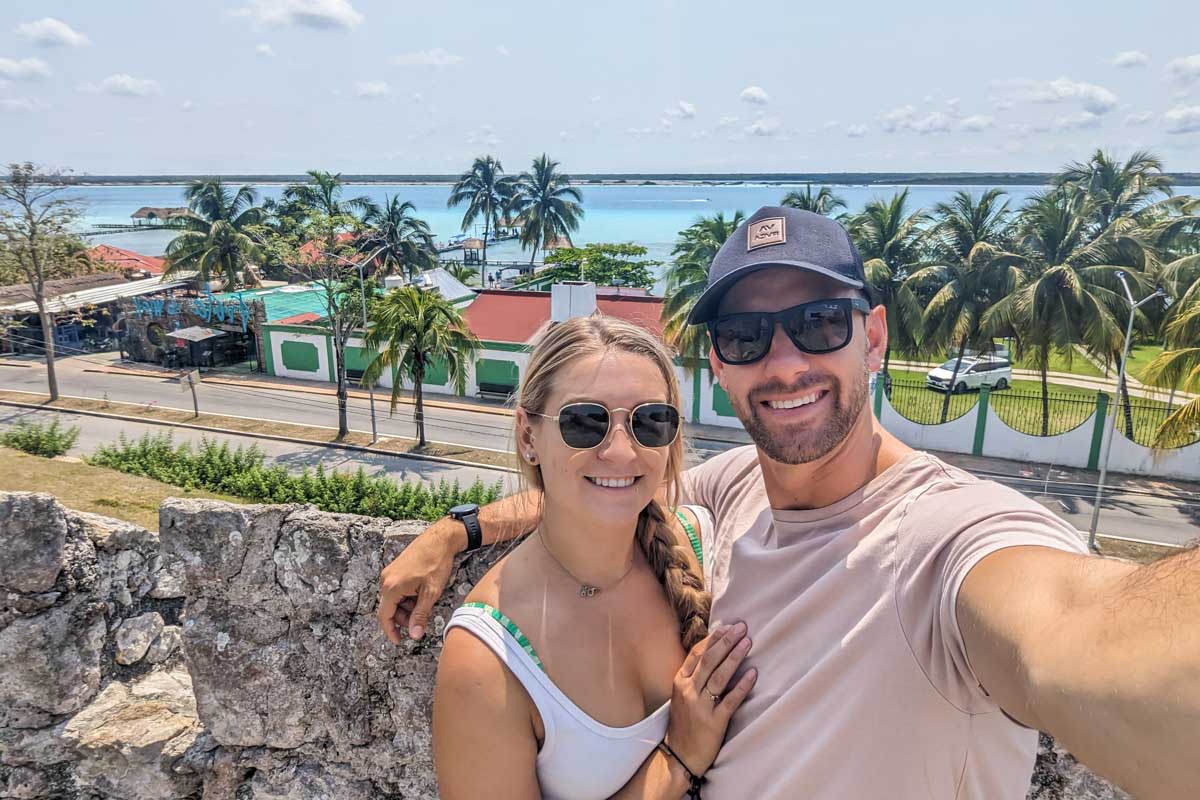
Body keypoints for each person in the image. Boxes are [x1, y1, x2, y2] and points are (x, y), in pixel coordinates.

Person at [383, 206, 1200, 799]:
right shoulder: (731, 490)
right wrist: (456, 530)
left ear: (873, 337)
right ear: (722, 365)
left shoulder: (952, 537)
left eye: (817, 324)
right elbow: (605, 492)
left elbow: (1067, 635)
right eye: (746, 336)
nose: (783, 362)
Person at [433, 315, 757, 799]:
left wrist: (459, 531)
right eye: (586, 422)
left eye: (650, 421)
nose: (623, 452)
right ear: (528, 436)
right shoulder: (487, 661)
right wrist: (679, 757)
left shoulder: (706, 539)